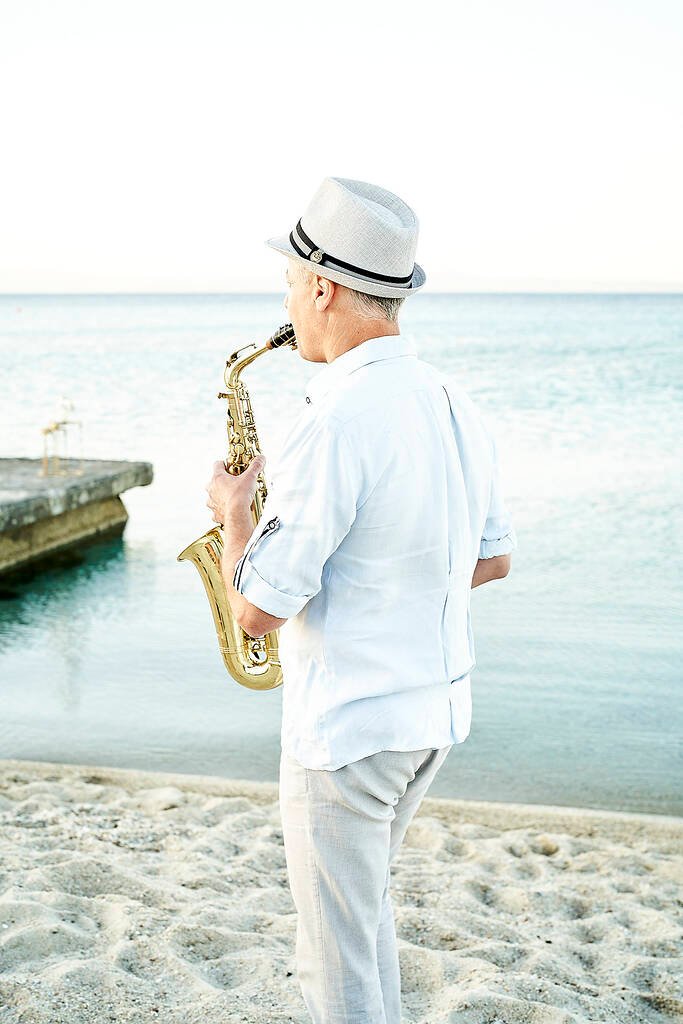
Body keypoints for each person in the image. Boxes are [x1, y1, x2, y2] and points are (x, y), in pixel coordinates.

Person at [205, 176, 517, 1024]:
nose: (288, 303)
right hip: (433, 718)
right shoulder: (454, 402)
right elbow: (492, 563)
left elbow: (258, 609)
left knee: (332, 971)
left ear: (322, 286)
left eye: (288, 285)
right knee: (364, 923)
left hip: (347, 730)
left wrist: (235, 520)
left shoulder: (335, 418)